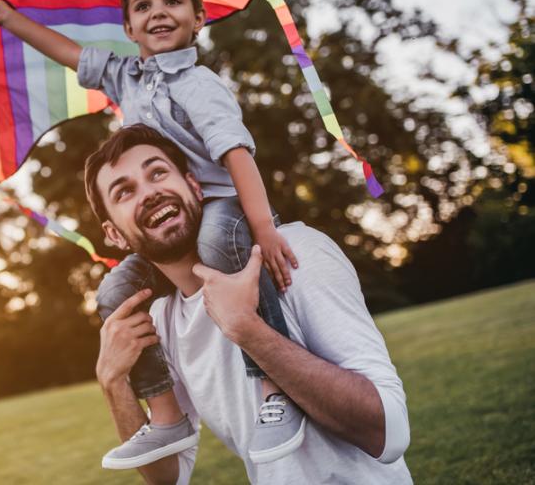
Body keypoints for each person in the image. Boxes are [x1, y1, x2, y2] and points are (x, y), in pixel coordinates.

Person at [0, 0, 302, 468]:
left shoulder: (199, 85)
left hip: (220, 207)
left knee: (220, 243)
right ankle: (167, 415)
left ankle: (274, 389)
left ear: (199, 18)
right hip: (170, 225)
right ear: (128, 27)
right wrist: (9, 19)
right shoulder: (125, 76)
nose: (158, 13)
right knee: (113, 291)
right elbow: (68, 53)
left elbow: (238, 155)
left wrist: (262, 227)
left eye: (173, 1)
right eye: (143, 6)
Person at [83, 124, 412, 484]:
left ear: (194, 186)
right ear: (114, 234)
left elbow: (390, 433)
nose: (149, 193)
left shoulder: (292, 253)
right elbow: (168, 476)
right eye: (125, 192)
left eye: (157, 172)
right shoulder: (160, 322)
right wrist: (112, 382)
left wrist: (248, 329)